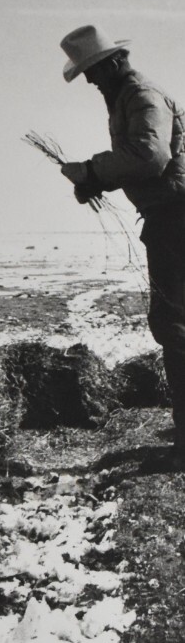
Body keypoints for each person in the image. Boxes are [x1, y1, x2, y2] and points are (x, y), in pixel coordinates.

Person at [59, 24, 185, 465]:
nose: (91, 82)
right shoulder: (129, 97)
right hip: (171, 219)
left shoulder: (140, 96)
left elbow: (151, 157)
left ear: (113, 63)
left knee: (175, 327)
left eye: (92, 72)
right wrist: (99, 181)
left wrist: (93, 172)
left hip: (177, 222)